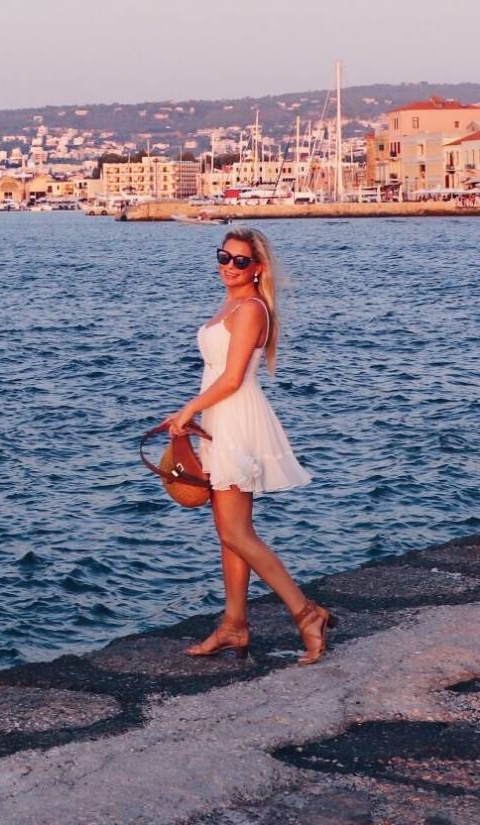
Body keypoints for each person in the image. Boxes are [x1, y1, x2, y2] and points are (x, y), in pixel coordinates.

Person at [166, 227, 335, 666]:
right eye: (224, 257)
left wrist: (187, 412)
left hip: (235, 419)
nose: (229, 266)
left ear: (257, 268)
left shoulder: (251, 309)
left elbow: (233, 377)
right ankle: (234, 626)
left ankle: (306, 614)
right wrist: (195, 415)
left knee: (236, 532)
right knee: (228, 534)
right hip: (220, 416)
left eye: (241, 261)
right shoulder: (232, 302)